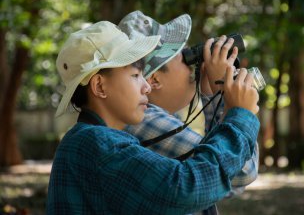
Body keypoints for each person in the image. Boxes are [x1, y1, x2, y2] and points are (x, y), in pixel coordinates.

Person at [47, 20, 261, 214]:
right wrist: (239, 116)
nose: (147, 86)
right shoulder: (98, 144)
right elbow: (185, 188)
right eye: (135, 75)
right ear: (99, 86)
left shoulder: (97, 140)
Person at [119, 11, 260, 214]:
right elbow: (242, 172)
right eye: (184, 57)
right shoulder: (144, 121)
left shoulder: (162, 119)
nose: (193, 65)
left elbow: (222, 186)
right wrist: (236, 107)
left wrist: (214, 95)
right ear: (154, 80)